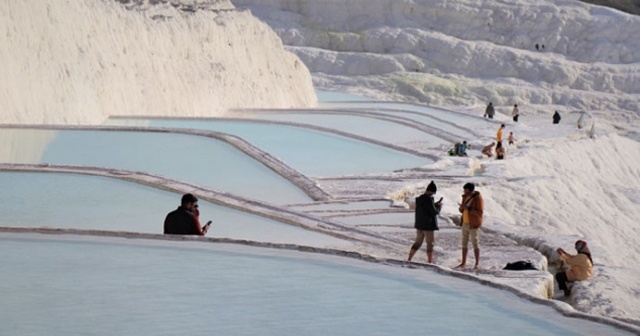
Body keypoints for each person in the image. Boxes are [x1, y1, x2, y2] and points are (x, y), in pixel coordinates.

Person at [408, 181, 442, 263]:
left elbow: (426, 208)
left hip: (419, 224)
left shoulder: (419, 199)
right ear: (431, 191)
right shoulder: (429, 199)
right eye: (433, 192)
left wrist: (434, 204)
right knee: (430, 244)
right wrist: (439, 207)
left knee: (418, 242)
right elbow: (434, 212)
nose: (433, 194)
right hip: (428, 225)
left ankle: (409, 258)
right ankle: (430, 261)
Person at [456, 183, 484, 269]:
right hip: (465, 222)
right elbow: (462, 210)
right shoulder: (465, 197)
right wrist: (461, 208)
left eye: (467, 191)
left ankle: (476, 264)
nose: (465, 193)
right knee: (464, 243)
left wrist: (468, 208)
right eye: (464, 191)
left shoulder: (478, 199)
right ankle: (463, 262)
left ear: (472, 191)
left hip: (473, 223)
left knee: (475, 243)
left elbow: (480, 213)